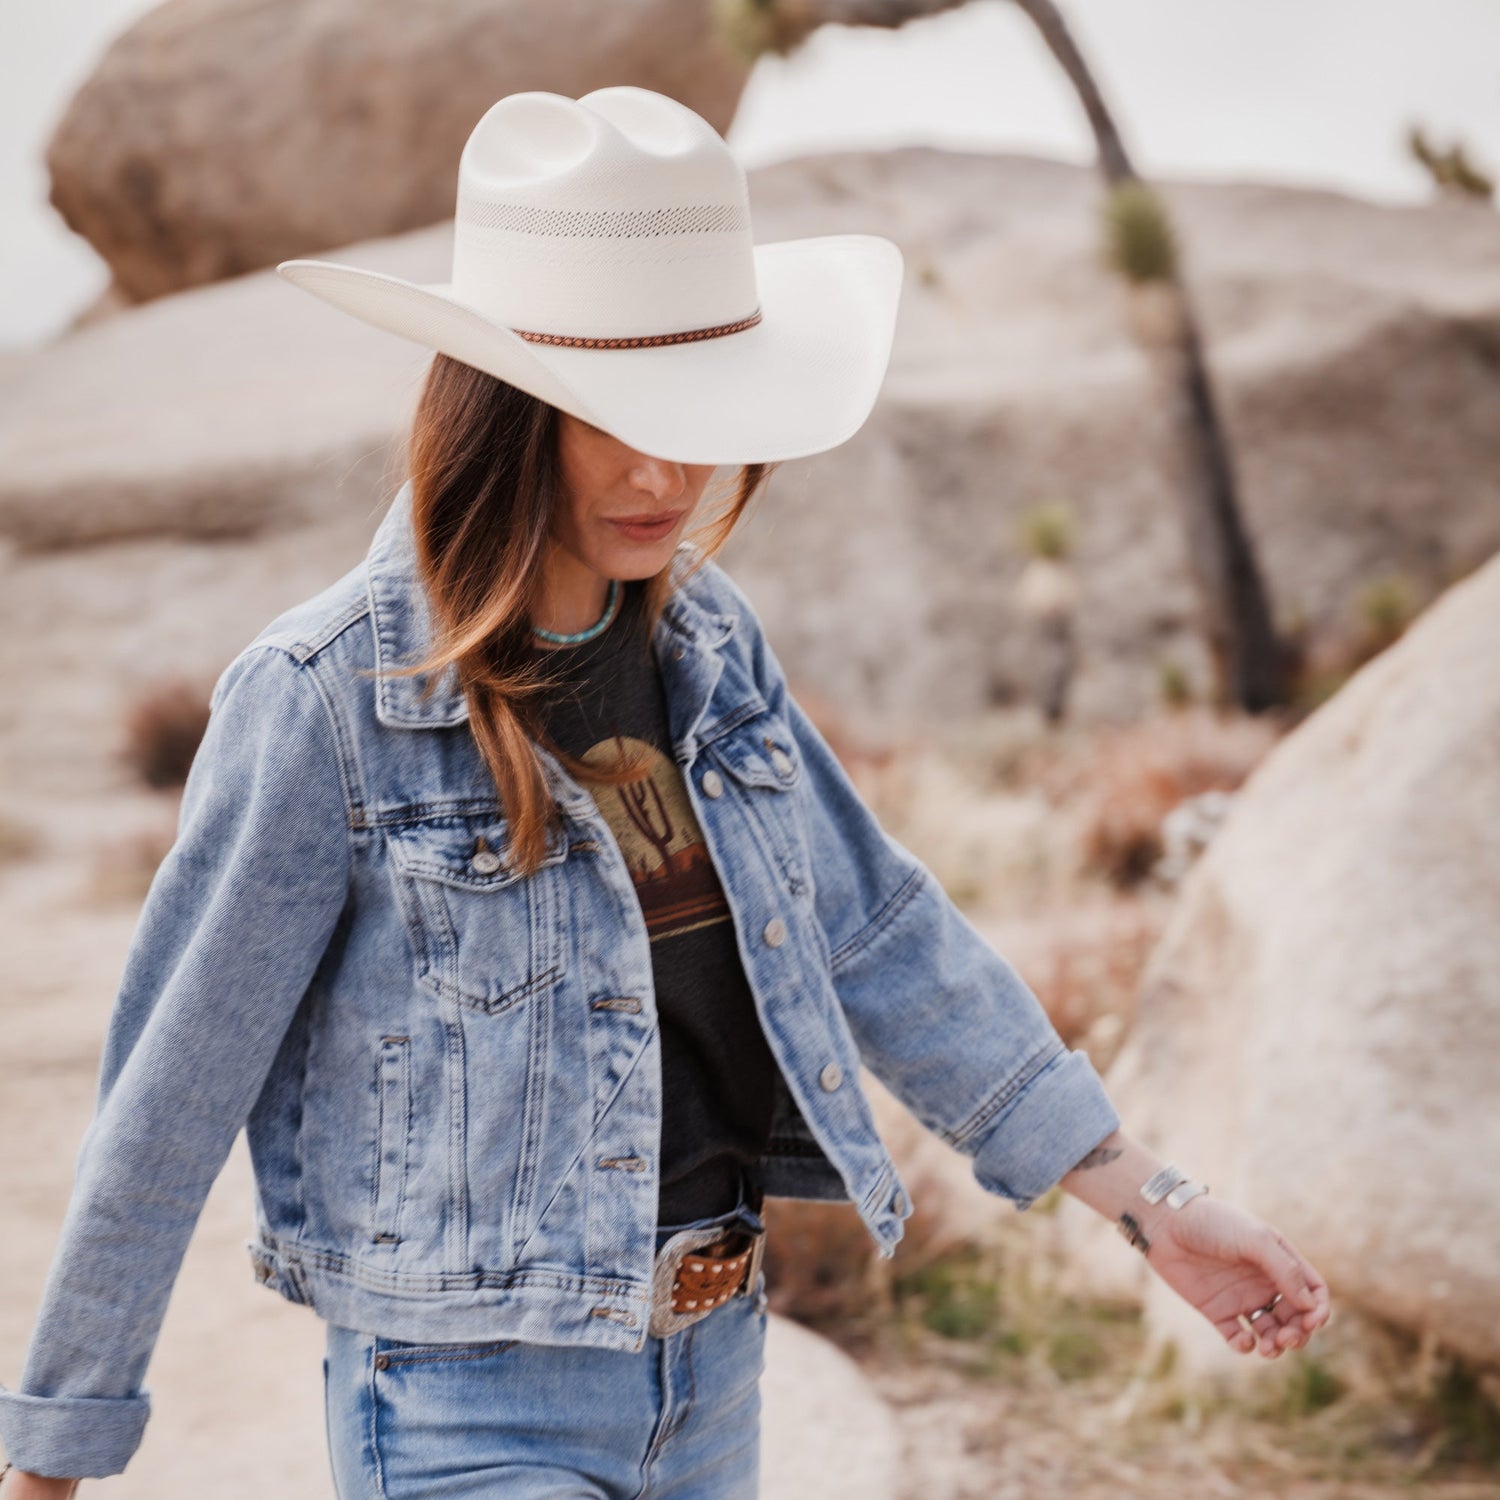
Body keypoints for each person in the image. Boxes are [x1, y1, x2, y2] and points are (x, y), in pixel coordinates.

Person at [0, 87, 1329, 1499]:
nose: (664, 470)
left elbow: (880, 935)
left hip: (713, 1380)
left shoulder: (711, 649)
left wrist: (1149, 1201)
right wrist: (54, 1459)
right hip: (465, 1409)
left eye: (698, 410)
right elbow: (171, 1087)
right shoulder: (326, 698)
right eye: (610, 415)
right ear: (504, 409)